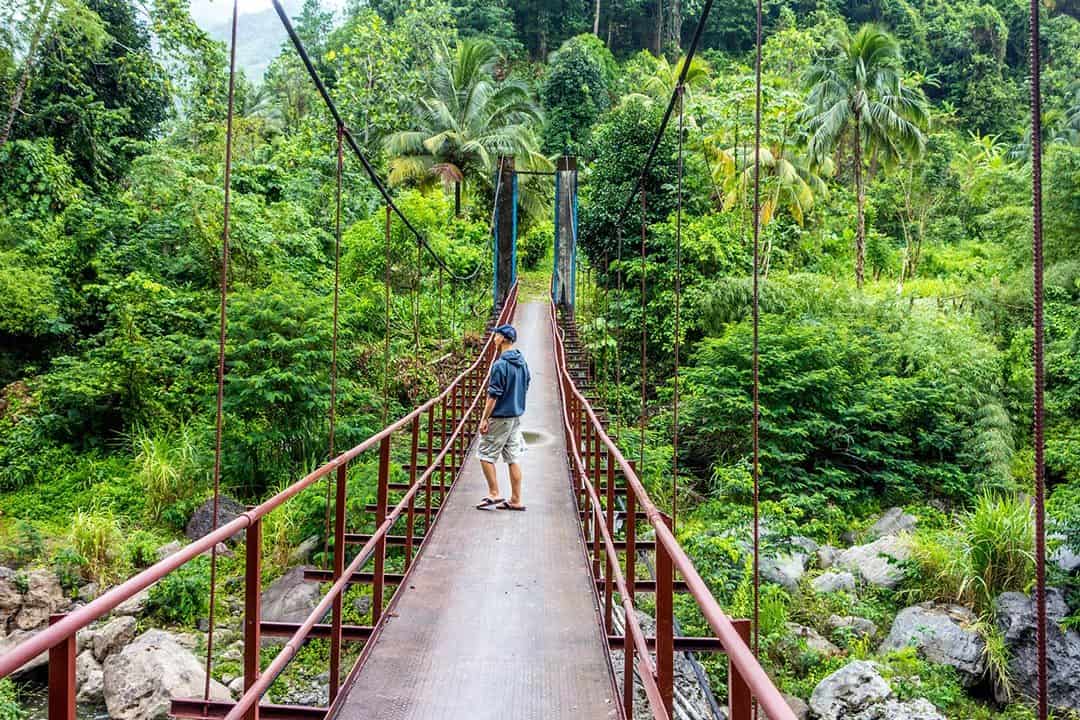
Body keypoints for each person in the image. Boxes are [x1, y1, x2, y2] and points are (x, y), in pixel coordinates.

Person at [476, 323, 530, 511]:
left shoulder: (499, 365)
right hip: (515, 417)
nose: (494, 337)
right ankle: (516, 499)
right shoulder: (522, 362)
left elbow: (493, 396)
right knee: (513, 458)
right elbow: (527, 384)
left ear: (503, 339)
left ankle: (494, 493)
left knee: (485, 455)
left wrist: (484, 418)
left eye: (496, 335)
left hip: (500, 417)